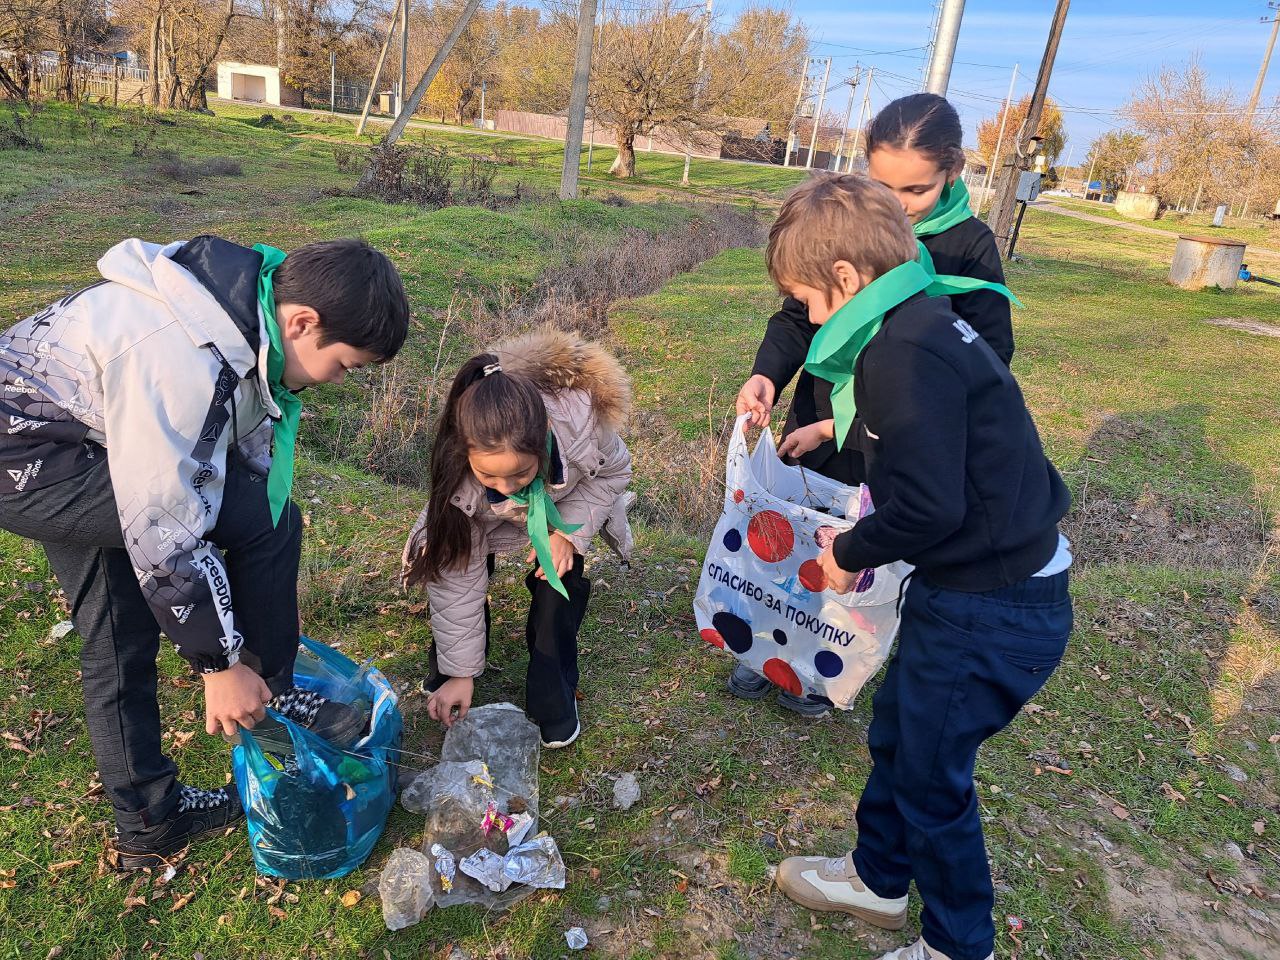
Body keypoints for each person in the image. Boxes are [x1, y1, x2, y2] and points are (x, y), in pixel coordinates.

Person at [0, 235, 411, 869]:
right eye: (346, 366)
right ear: (303, 322)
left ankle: (147, 823)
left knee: (121, 630)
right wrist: (220, 666)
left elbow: (237, 443)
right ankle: (267, 692)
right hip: (33, 455)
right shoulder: (181, 359)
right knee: (259, 524)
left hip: (70, 435)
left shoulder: (237, 313)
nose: (340, 382)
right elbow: (168, 535)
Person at [763, 174, 1073, 960]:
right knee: (902, 737)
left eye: (812, 301)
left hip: (993, 605)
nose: (814, 318)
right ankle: (878, 878)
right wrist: (833, 446)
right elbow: (924, 452)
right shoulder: (921, 321)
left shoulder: (901, 353)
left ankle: (957, 946)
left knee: (934, 783)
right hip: (970, 587)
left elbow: (929, 506)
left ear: (846, 279)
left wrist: (847, 554)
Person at [731, 92, 1014, 716]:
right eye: (882, 185)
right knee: (802, 530)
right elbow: (799, 316)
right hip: (823, 416)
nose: (897, 207)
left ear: (954, 172)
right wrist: (767, 377)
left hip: (892, 432)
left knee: (862, 548)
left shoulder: (968, 246)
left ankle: (829, 669)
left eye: (914, 191)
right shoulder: (849, 225)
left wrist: (851, 422)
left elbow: (985, 361)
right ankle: (776, 646)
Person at [401, 329, 635, 749]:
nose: (506, 486)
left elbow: (615, 473)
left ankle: (553, 697)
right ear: (465, 450)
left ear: (543, 439)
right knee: (453, 564)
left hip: (561, 510)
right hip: (480, 519)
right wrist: (461, 672)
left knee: (559, 581)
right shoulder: (460, 482)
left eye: (520, 473)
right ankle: (452, 668)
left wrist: (568, 535)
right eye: (490, 474)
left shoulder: (582, 424)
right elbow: (457, 580)